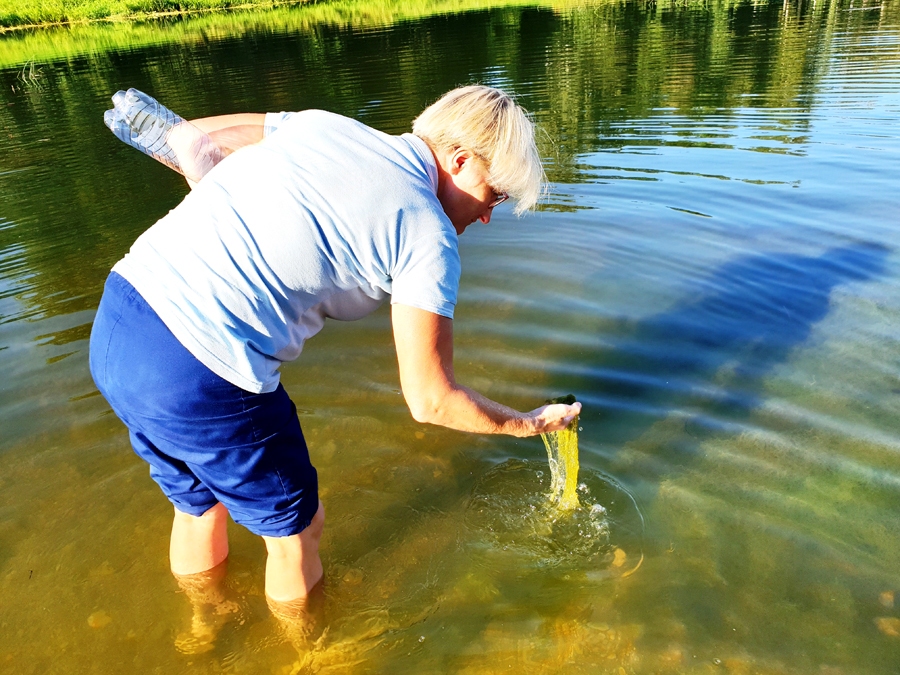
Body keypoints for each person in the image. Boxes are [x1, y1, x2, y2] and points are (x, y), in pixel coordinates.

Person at [89, 85, 582, 616]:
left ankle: (201, 629)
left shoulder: (325, 125)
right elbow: (430, 400)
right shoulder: (426, 233)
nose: (487, 216)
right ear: (460, 161)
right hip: (200, 371)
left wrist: (226, 190)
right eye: (495, 195)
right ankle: (309, 656)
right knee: (298, 530)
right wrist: (531, 424)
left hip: (120, 319)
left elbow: (189, 134)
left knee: (198, 504)